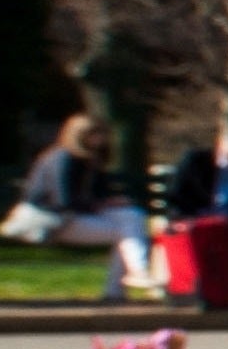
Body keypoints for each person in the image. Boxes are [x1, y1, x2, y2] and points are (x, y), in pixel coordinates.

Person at [12, 113, 155, 301]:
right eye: (96, 134)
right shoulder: (61, 158)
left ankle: (128, 281)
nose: (101, 139)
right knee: (127, 233)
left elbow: (100, 193)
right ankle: (129, 280)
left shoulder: (91, 160)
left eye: (102, 134)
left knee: (131, 216)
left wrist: (112, 202)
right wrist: (103, 204)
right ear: (79, 135)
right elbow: (64, 201)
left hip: (76, 218)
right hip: (53, 222)